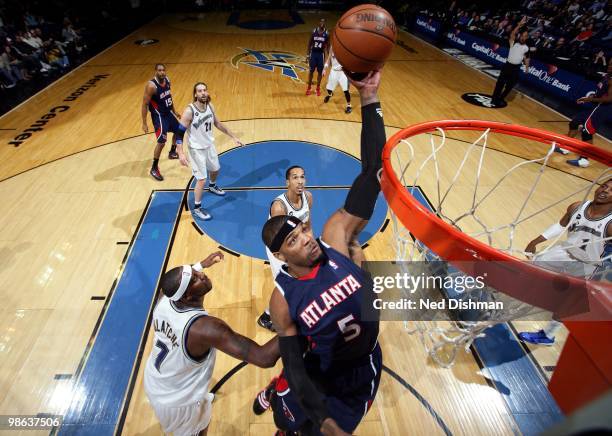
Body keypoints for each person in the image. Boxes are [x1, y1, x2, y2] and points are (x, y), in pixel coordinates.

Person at [253, 70, 385, 436]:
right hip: (321, 372)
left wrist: (369, 99)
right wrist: (325, 422)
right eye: (293, 240)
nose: (306, 238)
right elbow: (294, 365)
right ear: (280, 257)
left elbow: (373, 172)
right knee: (290, 420)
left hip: (365, 364)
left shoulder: (335, 236)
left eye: (302, 230)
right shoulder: (282, 300)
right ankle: (280, 407)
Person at [144, 251, 280, 436]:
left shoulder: (165, 298)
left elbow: (173, 281)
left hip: (157, 378)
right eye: (194, 280)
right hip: (178, 402)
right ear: (185, 297)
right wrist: (302, 319)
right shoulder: (205, 329)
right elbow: (264, 358)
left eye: (194, 273)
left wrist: (200, 264)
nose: (200, 275)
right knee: (200, 431)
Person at [518, 179, 612, 345]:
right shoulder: (578, 206)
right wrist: (535, 241)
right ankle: (500, 298)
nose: (605, 190)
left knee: (568, 302)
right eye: (604, 186)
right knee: (530, 268)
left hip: (588, 264)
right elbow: (561, 225)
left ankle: (547, 335)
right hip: (564, 251)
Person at [175, 82, 243, 220]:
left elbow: (217, 123)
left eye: (205, 90)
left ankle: (212, 186)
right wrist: (180, 153)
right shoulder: (190, 111)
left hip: (209, 146)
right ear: (195, 94)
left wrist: (233, 137)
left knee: (216, 169)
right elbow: (178, 134)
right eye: (199, 91)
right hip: (196, 149)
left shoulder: (210, 106)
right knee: (201, 179)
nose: (203, 93)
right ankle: (197, 208)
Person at [257, 165, 313, 331]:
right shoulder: (279, 206)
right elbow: (279, 239)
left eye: (302, 177)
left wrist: (311, 244)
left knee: (300, 278)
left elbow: (307, 225)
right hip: (278, 248)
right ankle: (267, 317)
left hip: (294, 243)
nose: (300, 181)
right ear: (287, 182)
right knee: (286, 283)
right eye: (295, 177)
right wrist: (296, 259)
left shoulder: (308, 197)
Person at [554, 62, 612, 168]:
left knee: (587, 131)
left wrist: (589, 99)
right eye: (609, 64)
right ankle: (565, 147)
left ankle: (584, 160)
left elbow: (609, 99)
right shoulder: (606, 76)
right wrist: (589, 98)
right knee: (575, 122)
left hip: (603, 108)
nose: (609, 66)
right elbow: (600, 93)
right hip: (596, 106)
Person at [141, 63, 181, 181]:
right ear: (155, 71)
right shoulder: (151, 86)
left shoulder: (167, 80)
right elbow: (144, 104)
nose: (162, 72)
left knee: (179, 131)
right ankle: (154, 168)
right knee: (162, 142)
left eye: (163, 70)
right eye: (159, 70)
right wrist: (144, 123)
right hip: (159, 116)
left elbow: (169, 97)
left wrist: (174, 111)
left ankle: (172, 152)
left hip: (168, 113)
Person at [492, 17, 531, 106]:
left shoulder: (526, 48)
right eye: (522, 35)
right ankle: (494, 98)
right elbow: (513, 33)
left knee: (509, 86)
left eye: (525, 36)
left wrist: (527, 68)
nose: (523, 37)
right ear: (520, 35)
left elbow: (527, 58)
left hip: (515, 68)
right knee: (500, 83)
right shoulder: (513, 42)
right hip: (507, 66)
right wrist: (519, 24)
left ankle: (501, 98)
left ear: (526, 38)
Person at [323, 47, 352, 114]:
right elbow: (328, 59)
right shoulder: (332, 47)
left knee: (346, 90)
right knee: (329, 89)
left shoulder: (345, 48)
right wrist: (325, 68)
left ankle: (349, 105)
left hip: (343, 72)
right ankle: (330, 95)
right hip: (333, 71)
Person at [305, 18, 329, 96]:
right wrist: (307, 55)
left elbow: (328, 46)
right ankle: (309, 88)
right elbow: (309, 44)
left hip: (321, 55)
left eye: (323, 22)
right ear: (318, 23)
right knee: (311, 71)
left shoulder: (327, 33)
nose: (322, 23)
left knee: (320, 73)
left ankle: (317, 88)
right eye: (321, 21)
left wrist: (329, 58)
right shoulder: (314, 31)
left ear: (325, 23)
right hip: (313, 54)